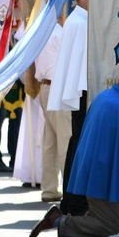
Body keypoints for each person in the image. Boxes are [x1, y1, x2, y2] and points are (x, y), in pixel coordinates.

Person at [30, 68, 119, 237]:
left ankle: (95, 218)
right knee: (110, 226)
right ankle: (60, 221)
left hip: (93, 172)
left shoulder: (105, 97)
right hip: (100, 178)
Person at [48, 0, 89, 216]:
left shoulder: (76, 20)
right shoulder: (81, 22)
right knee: (77, 145)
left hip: (79, 90)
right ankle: (74, 200)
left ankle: (73, 199)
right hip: (82, 91)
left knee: (76, 144)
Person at [35, 21, 71, 201]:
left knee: (50, 141)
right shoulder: (59, 33)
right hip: (57, 87)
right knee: (65, 140)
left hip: (46, 86)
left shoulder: (39, 31)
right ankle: (70, 190)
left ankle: (49, 189)